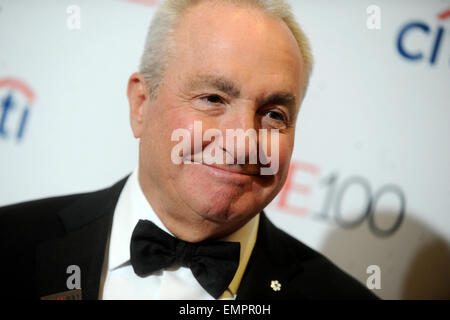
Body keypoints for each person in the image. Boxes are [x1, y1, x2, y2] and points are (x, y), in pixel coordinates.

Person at [0, 0, 378, 300]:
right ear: (141, 104)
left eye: (274, 113)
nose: (243, 142)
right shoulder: (12, 242)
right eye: (213, 97)